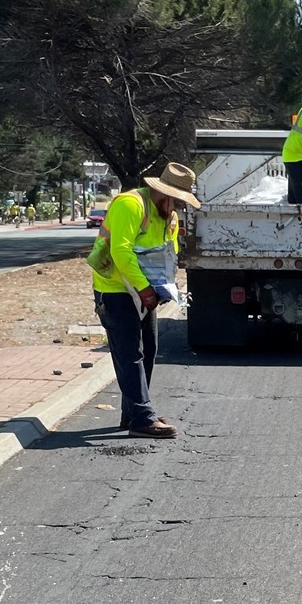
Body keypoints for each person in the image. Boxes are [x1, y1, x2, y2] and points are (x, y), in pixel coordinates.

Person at [92, 162, 201, 439]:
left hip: (142, 290)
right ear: (163, 194)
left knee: (148, 349)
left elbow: (166, 256)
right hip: (115, 289)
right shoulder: (130, 205)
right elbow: (121, 251)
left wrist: (166, 288)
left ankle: (133, 414)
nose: (179, 208)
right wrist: (145, 289)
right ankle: (142, 417)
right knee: (130, 354)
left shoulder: (169, 218)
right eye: (176, 201)